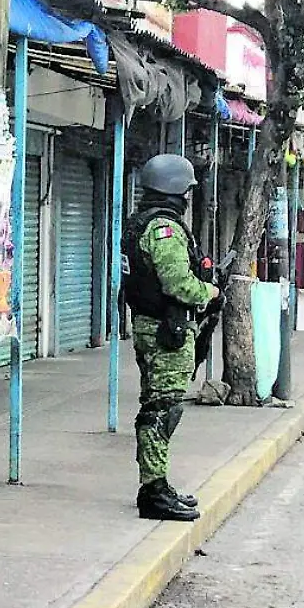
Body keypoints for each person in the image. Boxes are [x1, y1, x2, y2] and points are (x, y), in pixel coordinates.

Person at [123, 153, 219, 522]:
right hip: (166, 331)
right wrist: (209, 293)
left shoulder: (140, 223)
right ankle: (153, 491)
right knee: (162, 410)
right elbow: (178, 283)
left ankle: (157, 485)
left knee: (157, 406)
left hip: (153, 326)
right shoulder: (164, 229)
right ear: (176, 190)